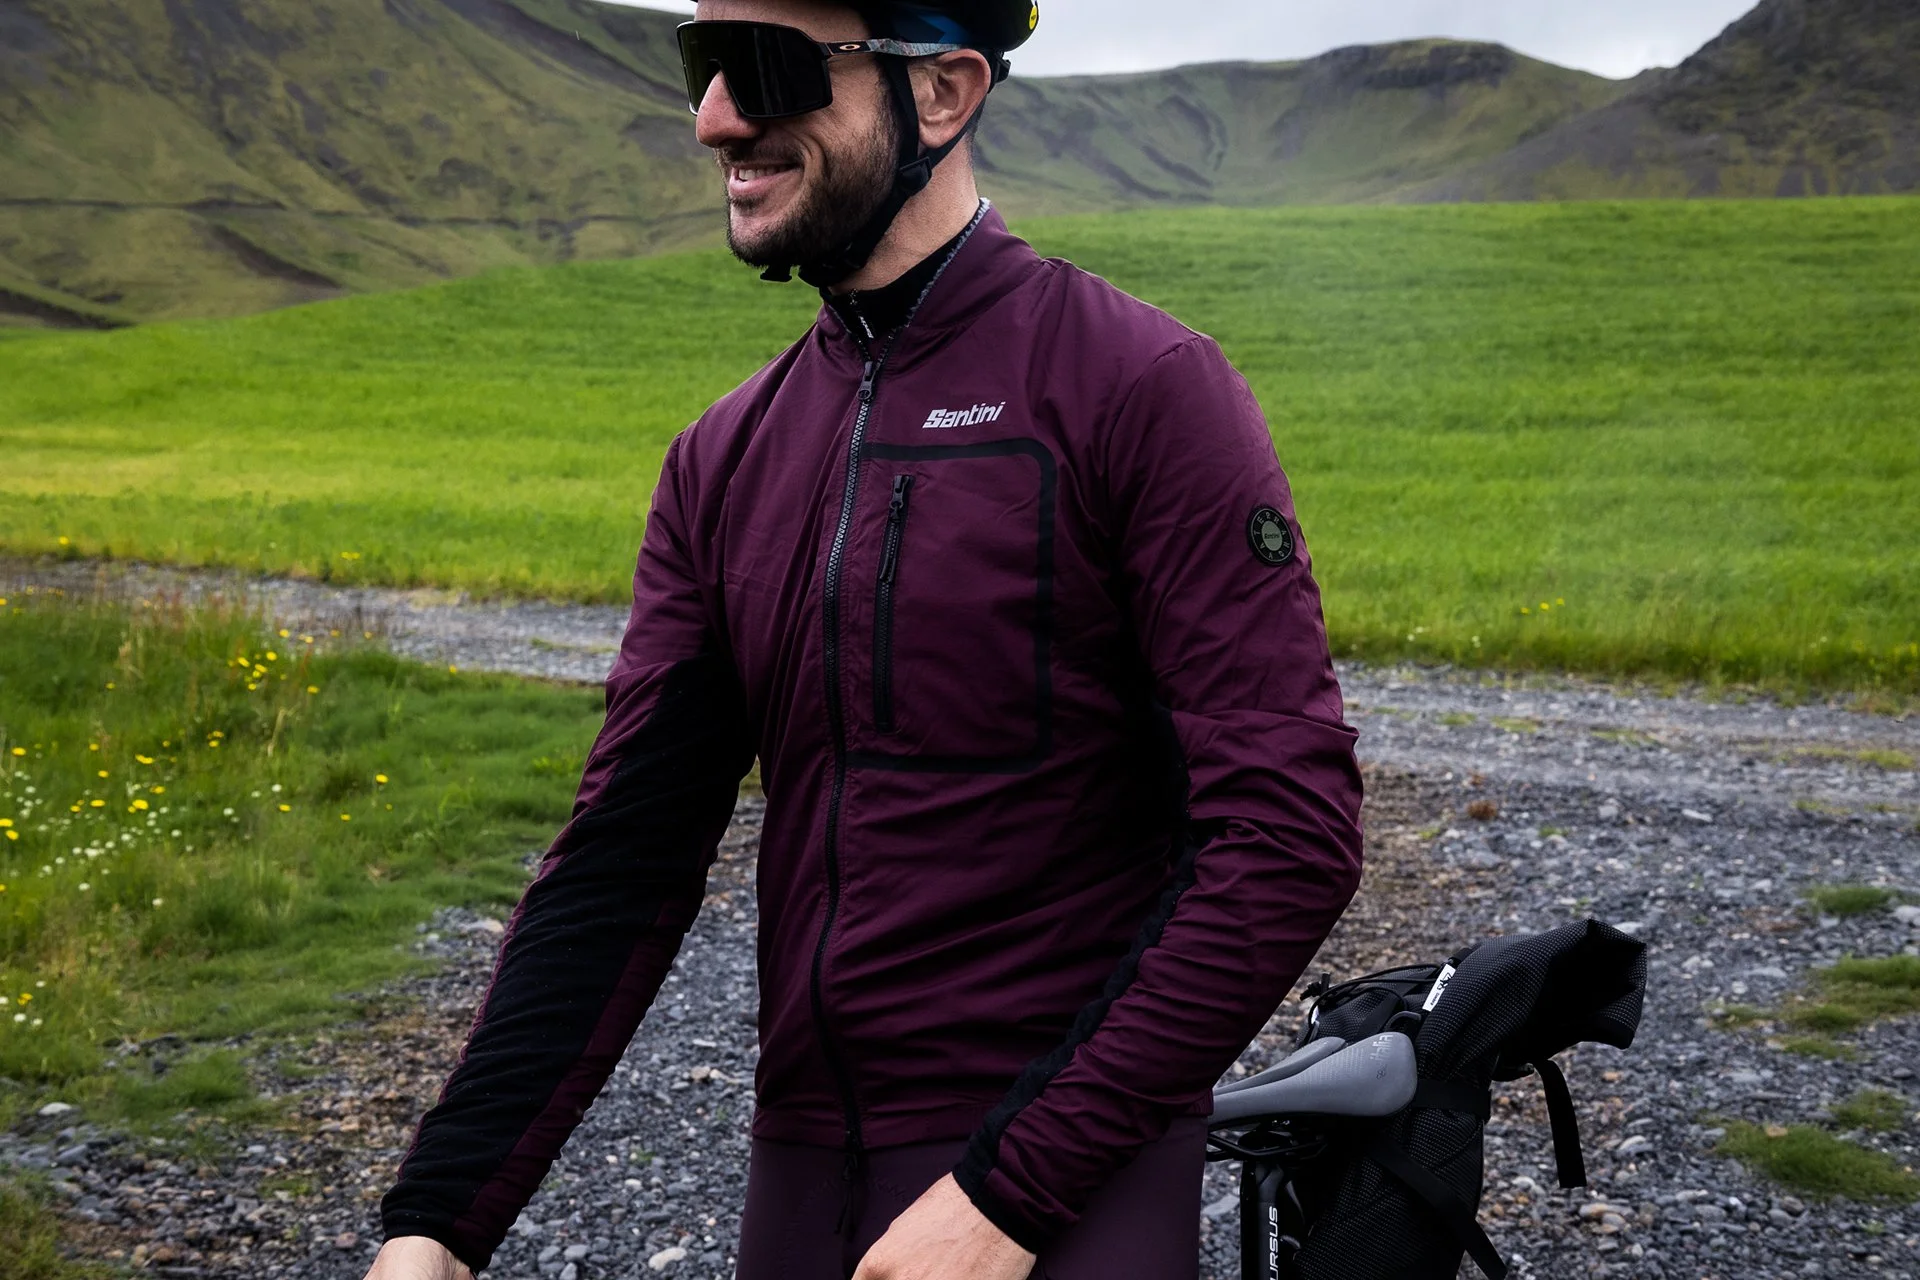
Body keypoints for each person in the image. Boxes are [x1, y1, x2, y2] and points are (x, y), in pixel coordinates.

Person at [369, 1, 1364, 1277]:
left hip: (1058, 1185)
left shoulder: (1139, 386)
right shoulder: (724, 455)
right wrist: (438, 1217)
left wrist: (1007, 1195)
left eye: (770, 69)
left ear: (942, 96)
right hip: (801, 1163)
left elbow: (1287, 836)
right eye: (702, 64)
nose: (716, 114)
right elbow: (624, 855)